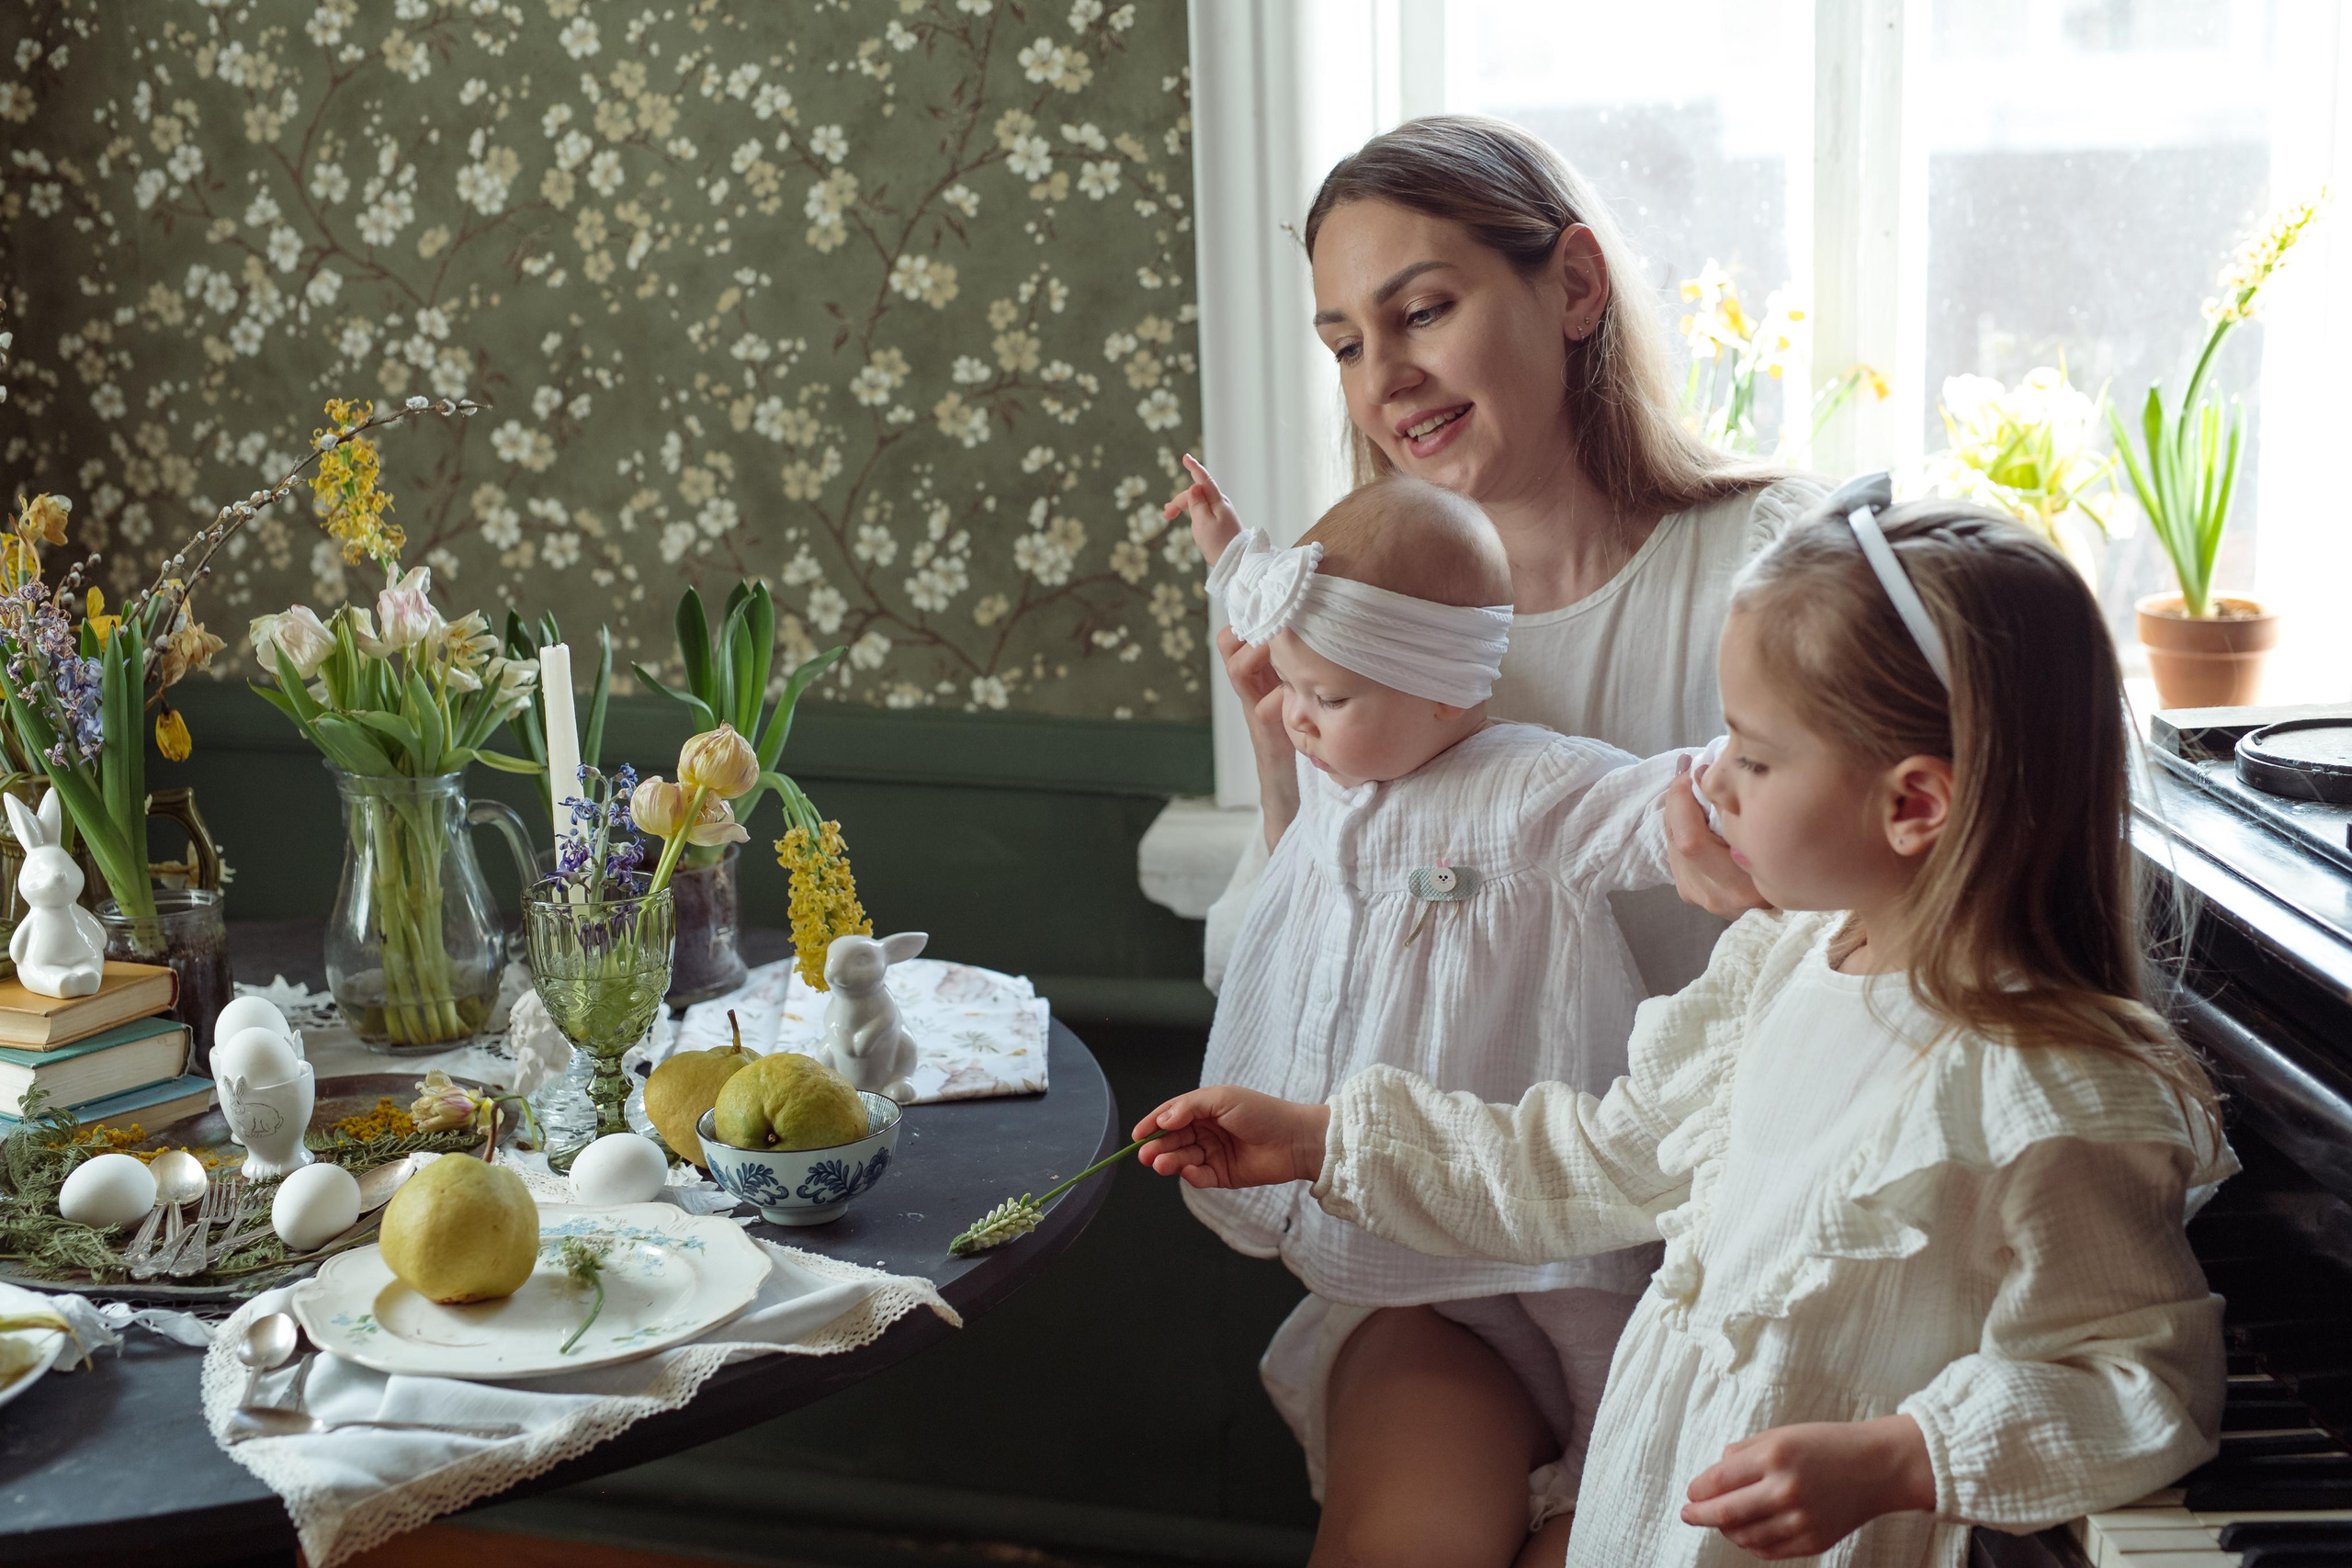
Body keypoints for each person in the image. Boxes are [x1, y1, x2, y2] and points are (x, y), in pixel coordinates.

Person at [1136, 483, 2233, 1567]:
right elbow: (1596, 1160)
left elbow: (2139, 1377)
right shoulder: (1782, 962)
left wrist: (1904, 1458)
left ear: (1912, 806)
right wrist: (1326, 1138)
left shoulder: (2042, 1096)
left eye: (1753, 757)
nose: (1711, 776)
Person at [1164, 115, 1820, 1563]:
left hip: (1722, 1258)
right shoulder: (1355, 611)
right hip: (1439, 1247)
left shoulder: (1774, 565)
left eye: (1424, 310)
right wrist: (1288, 750)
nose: (1383, 377)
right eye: (1344, 340)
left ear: (1574, 286)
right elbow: (1315, 924)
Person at [1190, 473, 1707, 1530]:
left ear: (1439, 689)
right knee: (1445, 1287)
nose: (1295, 716)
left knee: (1579, 1305)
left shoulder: (1523, 785)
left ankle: (1609, 1476)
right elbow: (1264, 609)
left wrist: (1750, 767)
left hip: (1524, 1150)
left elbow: (1650, 809)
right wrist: (1230, 548)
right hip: (1404, 1185)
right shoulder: (1346, 769)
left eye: (1325, 698)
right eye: (1292, 686)